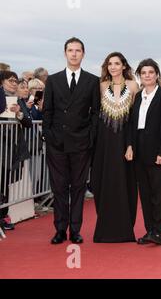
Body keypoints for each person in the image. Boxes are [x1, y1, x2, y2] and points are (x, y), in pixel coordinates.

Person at [42, 37, 100, 244]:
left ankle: (75, 229)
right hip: (57, 143)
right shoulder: (53, 80)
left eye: (78, 50)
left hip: (81, 143)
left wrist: (90, 136)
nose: (74, 54)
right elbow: (47, 111)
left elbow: (96, 113)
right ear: (65, 53)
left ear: (83, 54)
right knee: (59, 187)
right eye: (70, 50)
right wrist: (49, 136)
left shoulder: (92, 81)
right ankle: (59, 229)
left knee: (77, 187)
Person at [91, 52, 140, 243]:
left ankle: (124, 229)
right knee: (103, 182)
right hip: (105, 142)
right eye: (109, 64)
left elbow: (134, 119)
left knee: (124, 182)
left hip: (125, 141)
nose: (113, 67)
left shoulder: (133, 86)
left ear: (124, 66)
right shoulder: (101, 86)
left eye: (116, 63)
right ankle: (105, 228)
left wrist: (130, 144)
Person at [128, 59, 161, 246]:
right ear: (140, 75)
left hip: (158, 153)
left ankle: (158, 231)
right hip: (139, 152)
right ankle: (150, 230)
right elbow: (132, 124)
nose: (147, 75)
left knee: (159, 194)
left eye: (151, 72)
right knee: (145, 194)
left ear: (157, 75)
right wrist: (130, 146)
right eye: (144, 73)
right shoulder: (138, 97)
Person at [0, 71, 32, 232]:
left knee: (5, 182)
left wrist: (19, 112)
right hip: (1, 146)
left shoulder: (18, 100)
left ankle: (3, 215)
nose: (14, 83)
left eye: (15, 81)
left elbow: (28, 122)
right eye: (10, 80)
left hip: (12, 148)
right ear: (2, 82)